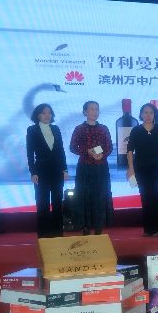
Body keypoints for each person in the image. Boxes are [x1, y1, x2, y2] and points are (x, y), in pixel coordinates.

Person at [69, 101, 113, 235]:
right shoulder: (79, 129)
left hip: (101, 167)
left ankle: (99, 227)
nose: (95, 112)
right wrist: (87, 151)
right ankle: (85, 227)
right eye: (92, 109)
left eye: (97, 109)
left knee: (100, 196)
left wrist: (102, 155)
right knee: (84, 196)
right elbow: (72, 147)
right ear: (85, 112)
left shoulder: (104, 128)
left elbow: (109, 147)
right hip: (85, 168)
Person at [26, 103, 68, 238]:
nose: (47, 115)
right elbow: (30, 153)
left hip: (57, 170)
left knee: (57, 202)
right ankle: (44, 235)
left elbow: (61, 150)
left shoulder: (56, 129)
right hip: (41, 171)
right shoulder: (32, 130)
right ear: (38, 115)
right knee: (42, 202)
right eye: (43, 113)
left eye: (49, 112)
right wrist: (33, 172)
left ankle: (57, 234)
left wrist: (65, 169)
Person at [127, 102, 158, 237]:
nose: (148, 115)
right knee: (145, 197)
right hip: (141, 168)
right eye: (145, 112)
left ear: (154, 114)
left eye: (151, 112)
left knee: (156, 196)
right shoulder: (136, 130)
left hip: (157, 168)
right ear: (141, 114)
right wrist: (131, 168)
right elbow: (130, 150)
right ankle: (148, 229)